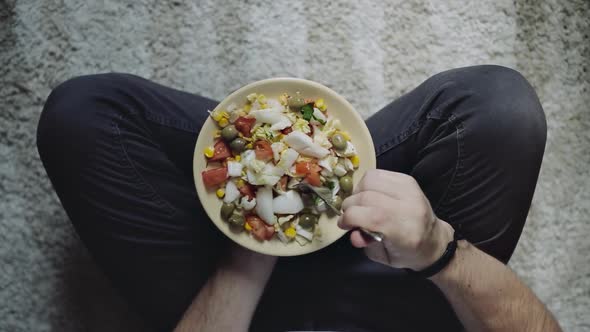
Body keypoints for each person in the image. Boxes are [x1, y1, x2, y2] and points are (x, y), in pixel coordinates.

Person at [37, 65, 562, 332]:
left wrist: (248, 254)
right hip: (405, 306)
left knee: (79, 117)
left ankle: (287, 160)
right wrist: (439, 251)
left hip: (236, 310)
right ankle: (312, 154)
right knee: (499, 109)